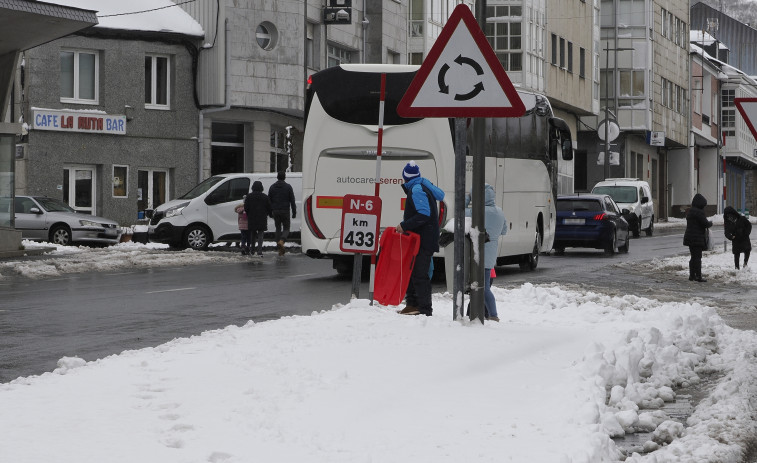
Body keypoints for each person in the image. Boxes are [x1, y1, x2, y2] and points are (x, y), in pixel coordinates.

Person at [396, 161, 445, 316]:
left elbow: (424, 214)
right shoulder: (420, 186)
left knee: (419, 274)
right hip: (420, 239)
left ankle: (424, 309)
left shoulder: (417, 189)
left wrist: (404, 225)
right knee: (412, 272)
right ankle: (412, 305)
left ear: (404, 177)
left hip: (423, 240)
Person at [465, 184, 507, 322]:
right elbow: (504, 231)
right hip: (491, 253)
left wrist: (467, 198)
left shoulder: (477, 211)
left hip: (478, 252)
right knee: (484, 284)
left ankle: (493, 315)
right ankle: (482, 313)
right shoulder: (500, 211)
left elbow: (460, 213)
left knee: (483, 287)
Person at [683, 193, 713, 282]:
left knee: (693, 257)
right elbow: (705, 223)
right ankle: (698, 276)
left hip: (690, 237)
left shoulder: (691, 211)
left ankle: (692, 275)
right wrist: (710, 223)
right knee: (698, 257)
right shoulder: (699, 212)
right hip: (697, 238)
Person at [268, 171, 297, 256]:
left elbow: (269, 201)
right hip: (285, 211)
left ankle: (279, 249)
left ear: (277, 177)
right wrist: (294, 212)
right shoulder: (288, 187)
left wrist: (270, 212)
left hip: (275, 211)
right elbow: (292, 200)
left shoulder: (272, 187)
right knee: (286, 228)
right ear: (284, 177)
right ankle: (282, 241)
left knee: (277, 229)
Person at [245, 181, 272, 258]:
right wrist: (269, 214)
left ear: (253, 187)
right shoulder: (265, 197)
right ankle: (259, 251)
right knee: (260, 234)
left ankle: (252, 250)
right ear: (261, 188)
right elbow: (269, 207)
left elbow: (246, 207)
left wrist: (249, 214)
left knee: (252, 234)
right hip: (262, 217)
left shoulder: (249, 196)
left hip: (252, 217)